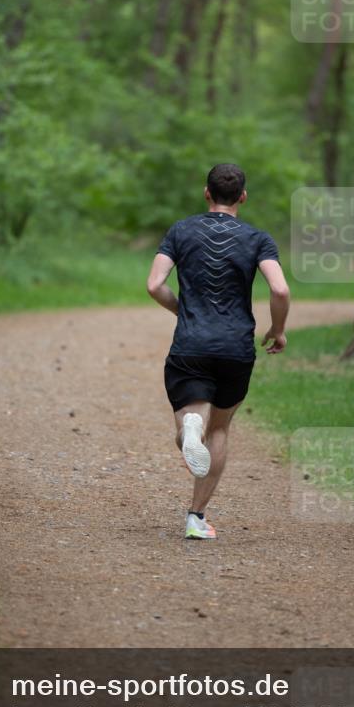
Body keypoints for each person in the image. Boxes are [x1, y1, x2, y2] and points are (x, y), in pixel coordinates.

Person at [146, 163, 290, 540]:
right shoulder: (259, 239)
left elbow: (154, 284)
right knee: (221, 428)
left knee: (189, 422)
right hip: (236, 348)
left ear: (206, 193)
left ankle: (189, 429)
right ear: (243, 196)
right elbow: (280, 290)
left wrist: (182, 309)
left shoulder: (180, 230)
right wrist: (278, 329)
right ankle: (196, 517)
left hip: (191, 344)